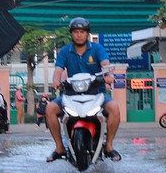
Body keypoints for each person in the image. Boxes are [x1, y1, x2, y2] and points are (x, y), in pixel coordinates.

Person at [45, 16, 121, 161]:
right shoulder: (65, 51)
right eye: (75, 32)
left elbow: (105, 64)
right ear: (71, 34)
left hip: (97, 93)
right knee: (50, 109)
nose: (79, 35)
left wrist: (109, 75)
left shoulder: (97, 48)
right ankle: (59, 147)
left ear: (87, 34)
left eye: (82, 32)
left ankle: (109, 146)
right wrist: (56, 80)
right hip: (71, 94)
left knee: (114, 107)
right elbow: (58, 69)